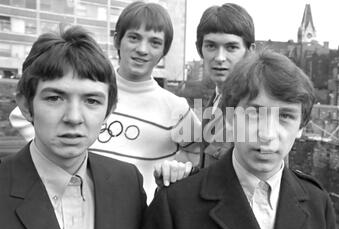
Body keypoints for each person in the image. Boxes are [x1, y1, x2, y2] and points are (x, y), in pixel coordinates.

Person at [136, 50, 339, 229]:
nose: (267, 134)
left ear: (301, 127)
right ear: (230, 119)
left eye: (285, 116)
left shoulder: (318, 203)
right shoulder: (176, 206)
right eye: (253, 114)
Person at [9, 1, 202, 204]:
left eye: (155, 42)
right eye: (134, 38)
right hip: (70, 200)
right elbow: (22, 114)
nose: (142, 49)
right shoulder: (89, 86)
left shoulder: (176, 108)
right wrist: (56, 147)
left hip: (137, 212)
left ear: (164, 51)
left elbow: (198, 151)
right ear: (117, 40)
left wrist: (173, 169)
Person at [0, 26, 146, 229]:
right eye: (55, 98)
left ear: (109, 110)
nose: (74, 117)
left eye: (92, 100)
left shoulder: (128, 184)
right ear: (26, 105)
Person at [195, 3, 256, 168]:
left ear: (249, 51)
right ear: (200, 49)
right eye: (211, 46)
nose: (220, 57)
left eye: (231, 47)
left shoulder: (256, 109)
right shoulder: (215, 99)